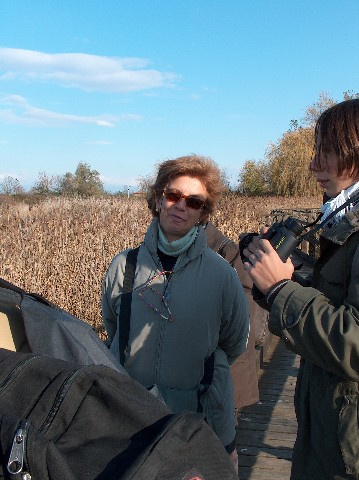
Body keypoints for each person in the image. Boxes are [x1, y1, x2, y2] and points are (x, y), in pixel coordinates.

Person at [102, 154, 249, 472]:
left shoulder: (222, 274)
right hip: (129, 417)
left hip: (198, 420)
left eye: (194, 201)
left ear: (203, 213)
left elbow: (234, 342)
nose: (181, 206)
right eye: (173, 195)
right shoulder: (123, 266)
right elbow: (113, 329)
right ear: (157, 200)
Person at [243, 99, 359, 479]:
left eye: (327, 152)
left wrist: (280, 290)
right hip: (329, 435)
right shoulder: (343, 220)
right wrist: (289, 279)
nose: (312, 167)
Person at [205, 221, 270, 409]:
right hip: (224, 377)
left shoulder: (227, 255)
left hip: (223, 379)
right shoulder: (229, 253)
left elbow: (248, 327)